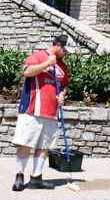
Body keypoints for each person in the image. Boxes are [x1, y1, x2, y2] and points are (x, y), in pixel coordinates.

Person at [11, 34, 70, 191]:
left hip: (51, 112)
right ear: (58, 45)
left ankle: (36, 178)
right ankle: (19, 176)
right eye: (65, 50)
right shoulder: (38, 56)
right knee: (25, 143)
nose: (67, 54)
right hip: (32, 109)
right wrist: (46, 63)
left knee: (44, 146)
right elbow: (27, 72)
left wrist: (62, 95)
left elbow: (64, 85)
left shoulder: (63, 66)